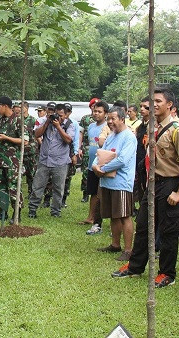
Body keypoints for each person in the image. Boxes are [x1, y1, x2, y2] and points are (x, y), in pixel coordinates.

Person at [112, 87, 179, 288]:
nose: (153, 105)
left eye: (158, 101)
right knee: (144, 225)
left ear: (170, 105)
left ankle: (167, 273)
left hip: (170, 183)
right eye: (152, 101)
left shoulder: (177, 129)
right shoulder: (152, 127)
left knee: (168, 230)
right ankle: (135, 266)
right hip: (153, 183)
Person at [92, 106, 137, 261]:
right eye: (109, 118)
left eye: (113, 119)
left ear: (122, 119)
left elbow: (122, 160)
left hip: (121, 183)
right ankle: (115, 244)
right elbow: (100, 153)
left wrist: (102, 169)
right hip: (107, 182)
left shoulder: (129, 137)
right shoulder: (111, 136)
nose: (110, 122)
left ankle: (128, 249)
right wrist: (94, 166)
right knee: (113, 215)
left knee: (124, 215)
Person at [28, 101, 75, 218]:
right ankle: (32, 210)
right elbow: (36, 135)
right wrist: (47, 123)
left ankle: (55, 211)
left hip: (60, 162)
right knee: (37, 186)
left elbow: (69, 140)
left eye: (60, 115)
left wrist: (58, 127)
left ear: (65, 115)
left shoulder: (69, 125)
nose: (58, 117)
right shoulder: (46, 122)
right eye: (56, 115)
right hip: (44, 160)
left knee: (58, 188)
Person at [0, 96, 25, 223]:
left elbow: (24, 141)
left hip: (12, 161)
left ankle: (17, 214)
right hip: (0, 159)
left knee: (13, 187)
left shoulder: (18, 120)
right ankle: (2, 212)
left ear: (5, 106)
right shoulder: (1, 120)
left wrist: (6, 138)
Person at [81, 100, 108, 234]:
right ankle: (91, 217)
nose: (96, 113)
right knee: (92, 192)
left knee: (100, 193)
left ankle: (99, 219)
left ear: (106, 114)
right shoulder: (91, 126)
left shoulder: (107, 127)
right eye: (94, 111)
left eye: (99, 111)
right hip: (91, 164)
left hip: (101, 166)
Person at [79, 98, 99, 203]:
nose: (94, 108)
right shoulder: (85, 119)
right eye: (93, 106)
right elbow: (81, 133)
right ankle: (85, 193)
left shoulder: (103, 119)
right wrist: (79, 148)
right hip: (87, 147)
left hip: (98, 148)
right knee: (86, 171)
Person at [61, 103, 80, 208]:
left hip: (69, 152)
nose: (66, 113)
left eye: (68, 111)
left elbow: (75, 139)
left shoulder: (73, 123)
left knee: (67, 177)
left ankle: (63, 199)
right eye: (65, 111)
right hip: (59, 153)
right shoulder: (57, 121)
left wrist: (75, 153)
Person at [22, 101, 37, 196]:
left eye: (21, 107)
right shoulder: (18, 120)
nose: (19, 109)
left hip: (31, 150)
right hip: (21, 150)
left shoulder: (33, 120)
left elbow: (37, 134)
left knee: (31, 172)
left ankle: (32, 191)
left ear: (26, 108)